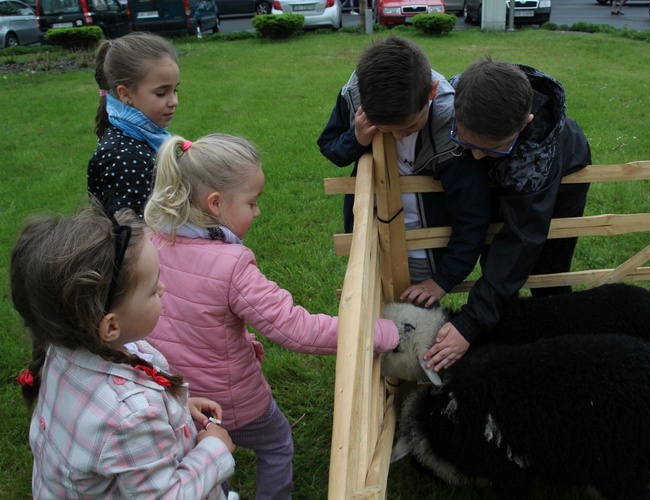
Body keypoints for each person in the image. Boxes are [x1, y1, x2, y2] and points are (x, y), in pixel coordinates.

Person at [143, 133, 400, 499]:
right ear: (215, 204)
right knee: (276, 443)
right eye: (252, 202)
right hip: (232, 398)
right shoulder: (232, 265)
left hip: (177, 398)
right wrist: (374, 333)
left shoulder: (152, 242)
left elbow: (179, 317)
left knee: (205, 454)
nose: (258, 211)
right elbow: (297, 329)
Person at [10, 205, 235, 498]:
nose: (163, 289)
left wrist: (178, 409)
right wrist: (214, 449)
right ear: (111, 326)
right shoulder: (131, 415)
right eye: (153, 289)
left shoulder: (62, 350)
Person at [423, 58, 592, 373]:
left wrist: (470, 322)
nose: (474, 156)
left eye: (490, 148)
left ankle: (560, 354)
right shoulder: (460, 96)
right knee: (492, 251)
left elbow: (522, 239)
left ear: (526, 122)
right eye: (466, 142)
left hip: (558, 184)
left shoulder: (538, 155)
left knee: (548, 272)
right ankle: (501, 339)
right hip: (505, 170)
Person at [317, 36, 491, 308]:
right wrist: (357, 138)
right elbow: (330, 147)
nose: (398, 136)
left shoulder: (452, 128)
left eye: (409, 128)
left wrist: (443, 279)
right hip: (373, 243)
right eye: (386, 130)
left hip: (427, 252)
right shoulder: (356, 95)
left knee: (417, 319)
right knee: (378, 310)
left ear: (432, 92)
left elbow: (472, 213)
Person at [88, 32, 179, 217]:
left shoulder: (149, 136)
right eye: (161, 93)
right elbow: (130, 235)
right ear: (126, 94)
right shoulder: (123, 157)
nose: (174, 101)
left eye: (175, 90)